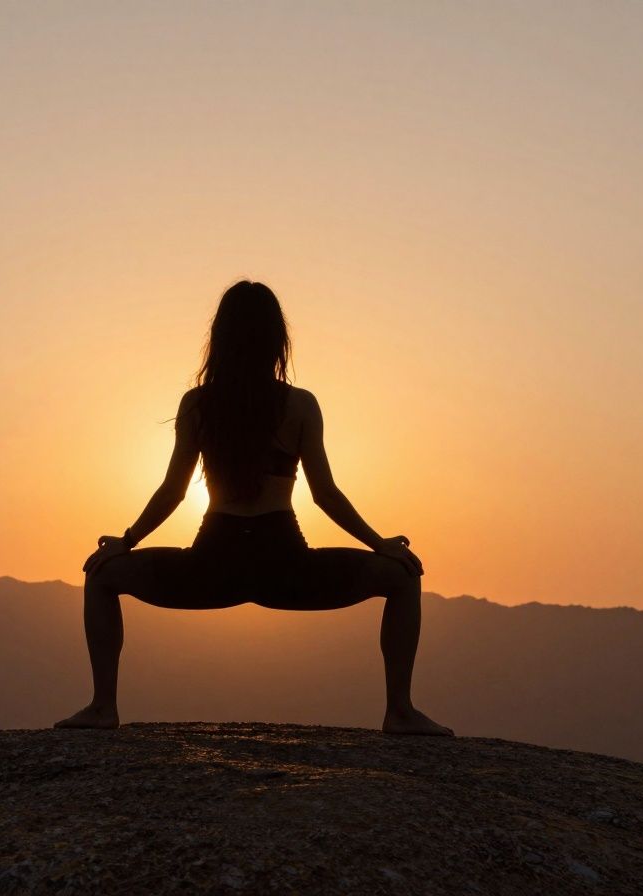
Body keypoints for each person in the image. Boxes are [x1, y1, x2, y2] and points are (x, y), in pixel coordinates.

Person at [55, 280, 453, 736]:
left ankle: (103, 706)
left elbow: (173, 491)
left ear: (219, 339)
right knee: (402, 578)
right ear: (277, 340)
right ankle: (399, 710)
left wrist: (126, 542)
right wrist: (381, 545)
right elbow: (325, 493)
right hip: (284, 565)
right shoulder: (299, 405)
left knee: (102, 576)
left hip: (212, 565)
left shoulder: (198, 404)